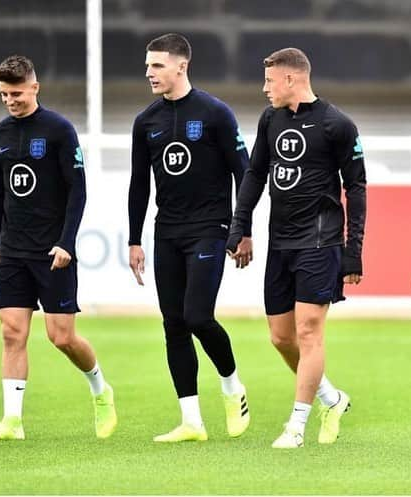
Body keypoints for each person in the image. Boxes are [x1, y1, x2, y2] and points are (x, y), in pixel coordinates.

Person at [226, 47, 366, 449]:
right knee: (280, 337)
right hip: (281, 241)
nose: (264, 88)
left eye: (269, 80)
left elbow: (356, 188)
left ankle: (297, 425)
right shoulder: (270, 119)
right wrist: (241, 225)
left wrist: (353, 249)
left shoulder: (337, 124)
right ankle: (331, 399)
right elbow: (255, 174)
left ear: (291, 79)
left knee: (308, 332)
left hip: (320, 241)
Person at [0, 55, 117, 441]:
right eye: (4, 94)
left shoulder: (59, 130)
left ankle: (100, 389)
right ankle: (12, 422)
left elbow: (78, 190)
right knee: (11, 332)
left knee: (61, 337)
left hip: (53, 251)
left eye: (17, 93)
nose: (10, 100)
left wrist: (67, 242)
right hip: (13, 250)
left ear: (34, 88)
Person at [128, 33, 250, 442]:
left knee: (198, 316)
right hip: (167, 233)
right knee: (174, 323)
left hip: (210, 229)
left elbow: (244, 172)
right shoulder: (146, 122)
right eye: (147, 66)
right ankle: (191, 421)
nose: (149, 73)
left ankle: (233, 387)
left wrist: (241, 229)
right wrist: (134, 239)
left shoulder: (215, 113)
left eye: (157, 65)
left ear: (181, 65)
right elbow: (138, 187)